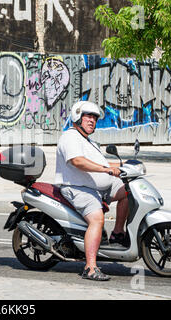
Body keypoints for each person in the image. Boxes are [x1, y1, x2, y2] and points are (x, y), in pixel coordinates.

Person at [55, 100, 129, 281]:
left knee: (129, 191)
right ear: (77, 116)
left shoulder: (90, 142)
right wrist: (106, 170)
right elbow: (77, 161)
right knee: (97, 219)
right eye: (88, 116)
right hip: (77, 187)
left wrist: (126, 165)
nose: (92, 121)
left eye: (95, 118)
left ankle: (118, 234)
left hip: (97, 187)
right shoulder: (70, 137)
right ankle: (90, 267)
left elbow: (103, 164)